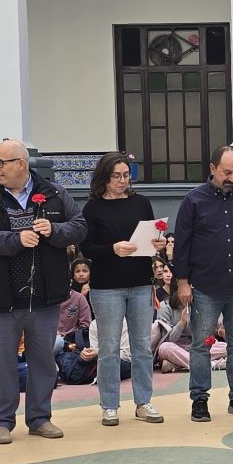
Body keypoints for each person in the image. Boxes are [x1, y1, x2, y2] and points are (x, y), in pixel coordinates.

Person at [0, 139, 87, 444]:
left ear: (21, 164)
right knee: (0, 363)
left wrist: (55, 231)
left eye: (0, 163)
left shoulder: (54, 193)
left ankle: (40, 418)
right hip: (1, 298)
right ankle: (1, 421)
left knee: (43, 360)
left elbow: (79, 226)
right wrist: (15, 240)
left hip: (45, 296)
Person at [174, 145, 233, 422]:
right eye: (227, 172)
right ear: (212, 169)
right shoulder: (193, 201)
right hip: (204, 287)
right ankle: (199, 400)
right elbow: (182, 244)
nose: (232, 178)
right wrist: (183, 282)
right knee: (201, 345)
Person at [81, 152, 165, 427]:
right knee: (109, 347)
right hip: (107, 286)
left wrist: (159, 243)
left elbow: (152, 237)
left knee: (142, 346)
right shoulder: (93, 208)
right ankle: (109, 405)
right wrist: (112, 249)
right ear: (104, 178)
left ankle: (143, 401)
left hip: (140, 282)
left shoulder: (141, 202)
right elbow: (86, 248)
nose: (122, 181)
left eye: (126, 175)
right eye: (116, 176)